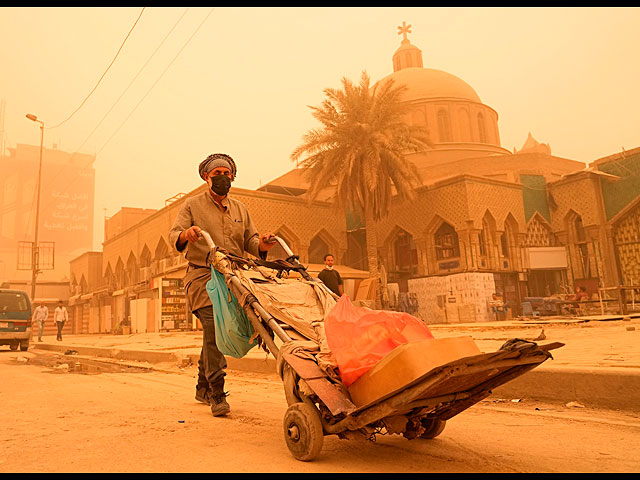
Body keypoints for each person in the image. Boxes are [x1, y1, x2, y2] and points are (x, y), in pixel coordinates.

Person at [169, 153, 276, 417]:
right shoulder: (192, 205)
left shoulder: (241, 209)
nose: (222, 179)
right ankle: (217, 391)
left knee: (221, 331)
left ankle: (202, 385)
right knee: (214, 324)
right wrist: (186, 234)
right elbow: (174, 235)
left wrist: (262, 244)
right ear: (207, 177)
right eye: (217, 174)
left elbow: (250, 241)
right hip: (203, 275)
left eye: (227, 175)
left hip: (234, 276)